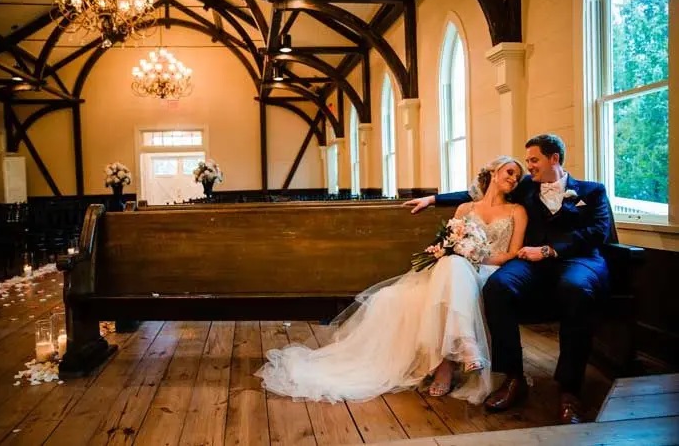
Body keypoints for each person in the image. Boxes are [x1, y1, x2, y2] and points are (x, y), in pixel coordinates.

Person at [255, 156, 527, 404]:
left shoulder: (517, 211)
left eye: (518, 177)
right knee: (450, 264)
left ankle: (447, 365)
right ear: (493, 171)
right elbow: (449, 242)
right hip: (455, 269)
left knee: (454, 266)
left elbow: (513, 253)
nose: (514, 178)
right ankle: (464, 349)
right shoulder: (465, 208)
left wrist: (477, 256)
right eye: (510, 171)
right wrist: (455, 246)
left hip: (489, 271)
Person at [406, 134, 610, 424]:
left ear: (554, 159)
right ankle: (513, 377)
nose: (529, 166)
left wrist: (550, 249)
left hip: (577, 260)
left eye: (534, 160)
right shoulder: (527, 186)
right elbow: (480, 193)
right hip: (532, 264)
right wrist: (434, 198)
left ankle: (569, 390)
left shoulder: (592, 191)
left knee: (575, 289)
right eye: (526, 161)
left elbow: (598, 233)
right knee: (498, 286)